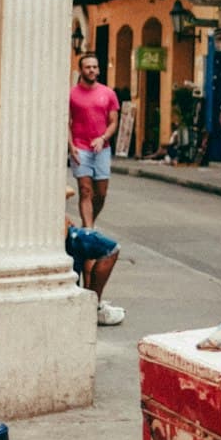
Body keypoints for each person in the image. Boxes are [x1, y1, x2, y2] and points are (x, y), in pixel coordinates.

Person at [69, 53, 120, 227]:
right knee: (85, 190)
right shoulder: (72, 95)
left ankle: (87, 225)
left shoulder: (108, 93)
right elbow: (66, 122)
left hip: (102, 149)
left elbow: (113, 122)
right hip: (80, 148)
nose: (92, 70)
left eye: (94, 67)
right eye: (88, 67)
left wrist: (103, 138)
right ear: (80, 70)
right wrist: (71, 146)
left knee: (101, 193)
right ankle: (89, 231)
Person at [65, 188, 123, 325]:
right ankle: (92, 307)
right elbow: (68, 190)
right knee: (111, 249)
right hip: (64, 234)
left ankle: (89, 302)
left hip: (64, 232)